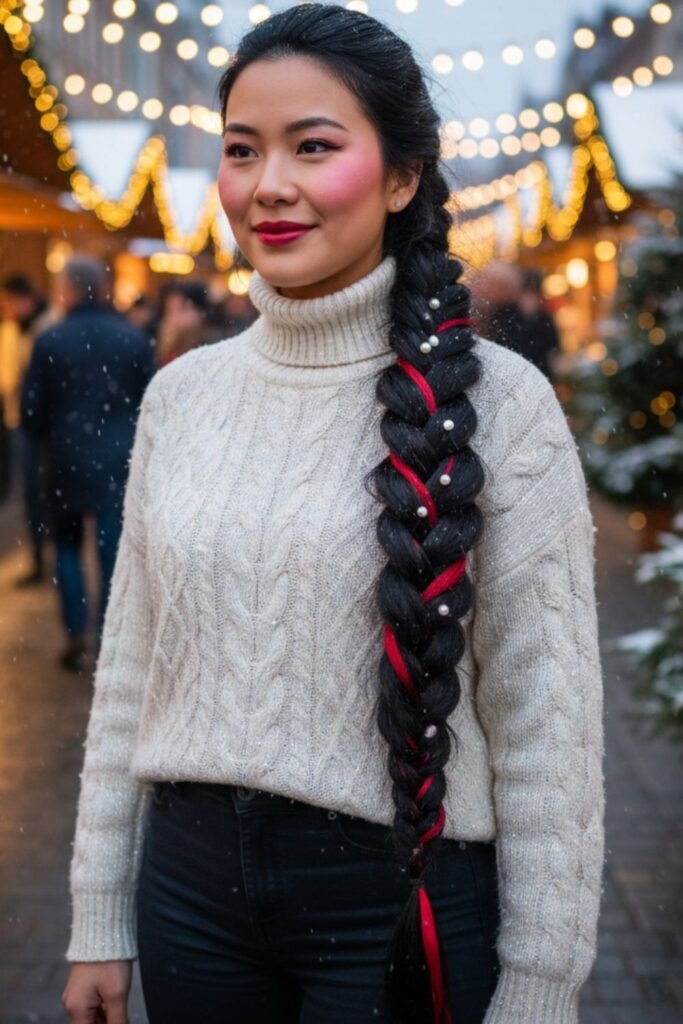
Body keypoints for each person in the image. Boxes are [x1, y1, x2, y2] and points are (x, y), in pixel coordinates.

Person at [62, 6, 604, 1024]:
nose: (268, 185)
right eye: (239, 149)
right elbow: (131, 666)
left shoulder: (501, 402)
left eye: (313, 146)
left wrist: (541, 983)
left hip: (400, 899)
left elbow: (544, 719)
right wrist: (99, 911)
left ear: (401, 178)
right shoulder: (182, 396)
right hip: (189, 895)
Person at [21, 256, 155, 672]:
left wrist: (53, 437)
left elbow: (31, 411)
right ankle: (109, 635)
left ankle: (75, 631)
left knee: (66, 548)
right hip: (120, 462)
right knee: (114, 550)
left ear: (68, 289)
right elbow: (151, 402)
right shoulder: (132, 339)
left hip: (64, 462)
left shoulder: (51, 340)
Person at [0, 275, 53, 579]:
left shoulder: (47, 326)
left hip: (43, 422)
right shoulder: (11, 329)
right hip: (17, 416)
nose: (7, 307)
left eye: (11, 300)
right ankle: (37, 554)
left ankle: (47, 553)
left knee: (44, 489)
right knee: (30, 490)